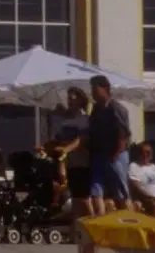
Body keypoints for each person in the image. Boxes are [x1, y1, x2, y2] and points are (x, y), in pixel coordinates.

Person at [87, 74, 131, 215]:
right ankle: (99, 217)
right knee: (96, 189)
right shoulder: (96, 109)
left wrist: (117, 153)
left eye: (95, 89)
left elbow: (123, 132)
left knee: (121, 191)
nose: (93, 92)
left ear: (105, 88)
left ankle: (129, 219)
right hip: (99, 154)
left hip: (115, 155)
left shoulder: (116, 108)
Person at [56, 87, 93, 218]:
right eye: (68, 99)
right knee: (76, 198)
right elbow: (60, 140)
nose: (70, 101)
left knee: (84, 198)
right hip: (70, 163)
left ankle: (93, 223)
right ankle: (76, 228)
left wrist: (66, 149)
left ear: (80, 100)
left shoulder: (85, 120)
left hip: (82, 162)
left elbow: (81, 140)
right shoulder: (65, 121)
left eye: (72, 99)